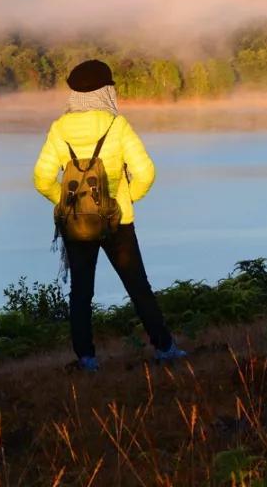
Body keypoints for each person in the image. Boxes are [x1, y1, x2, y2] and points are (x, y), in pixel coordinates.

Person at [33, 59, 186, 372]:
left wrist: (66, 203)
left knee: (81, 292)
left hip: (76, 224)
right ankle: (165, 348)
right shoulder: (117, 126)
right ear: (106, 91)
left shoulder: (59, 130)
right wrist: (124, 199)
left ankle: (87, 359)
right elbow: (146, 172)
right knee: (138, 287)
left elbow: (42, 178)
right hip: (118, 222)